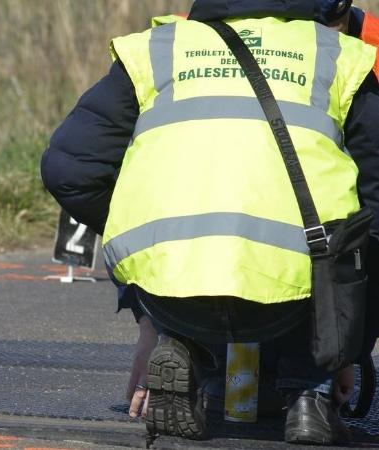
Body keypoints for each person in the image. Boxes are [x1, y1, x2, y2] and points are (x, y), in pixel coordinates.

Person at [41, 0, 379, 445]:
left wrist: (144, 268)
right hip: (298, 301)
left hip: (174, 296)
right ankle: (310, 392)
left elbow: (68, 169)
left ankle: (185, 348)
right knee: (343, 244)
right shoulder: (339, 54)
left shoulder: (161, 47)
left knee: (198, 269)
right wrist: (346, 340)